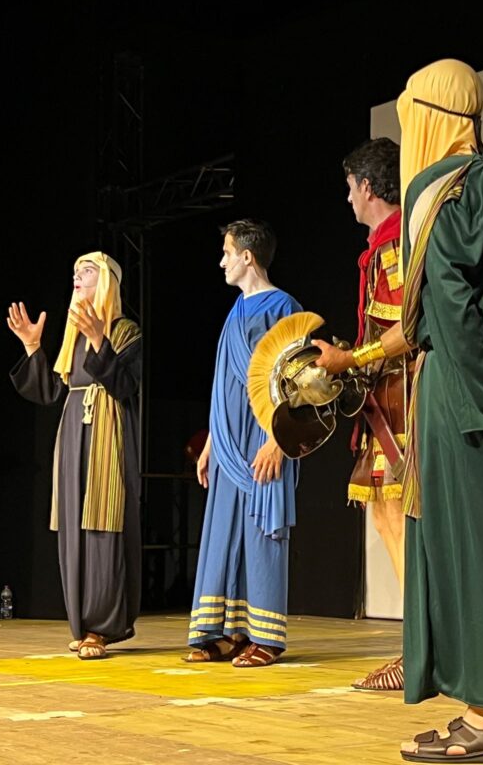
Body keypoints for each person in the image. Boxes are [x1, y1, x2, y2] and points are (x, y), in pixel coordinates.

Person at [317, 59, 483, 762]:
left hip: (463, 398)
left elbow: (449, 310)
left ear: (428, 117)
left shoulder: (438, 194)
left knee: (473, 557)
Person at [6, 252, 142, 660]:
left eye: (86, 272)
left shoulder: (124, 330)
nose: (76, 279)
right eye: (74, 273)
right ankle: (81, 624)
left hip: (107, 432)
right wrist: (33, 348)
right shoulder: (73, 336)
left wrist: (101, 340)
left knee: (103, 523)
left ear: (107, 283)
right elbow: (50, 392)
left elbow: (124, 387)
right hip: (72, 434)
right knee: (72, 528)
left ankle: (102, 627)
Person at [314, 137, 409, 691]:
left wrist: (351, 357)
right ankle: (417, 646)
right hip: (387, 396)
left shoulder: (394, 247)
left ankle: (420, 650)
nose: (347, 199)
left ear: (368, 187)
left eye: (350, 188)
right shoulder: (383, 245)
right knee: (388, 519)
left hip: (400, 401)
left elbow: (406, 328)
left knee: (399, 520)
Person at [185, 219, 301, 668]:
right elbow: (226, 383)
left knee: (260, 528)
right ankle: (229, 631)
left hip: (265, 436)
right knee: (224, 532)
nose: (222, 260)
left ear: (247, 257)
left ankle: (266, 637)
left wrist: (278, 440)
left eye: (227, 252)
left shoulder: (283, 306)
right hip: (230, 440)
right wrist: (213, 441)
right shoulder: (235, 311)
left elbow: (298, 383)